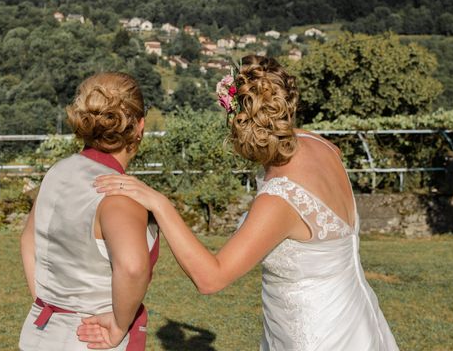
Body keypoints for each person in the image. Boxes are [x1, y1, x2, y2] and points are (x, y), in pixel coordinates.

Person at [80, 56, 399, 350]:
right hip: (354, 315)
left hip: (314, 333)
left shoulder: (280, 199)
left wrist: (160, 204)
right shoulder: (322, 146)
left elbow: (210, 278)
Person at [19, 72, 159, 351]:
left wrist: (49, 301)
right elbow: (132, 268)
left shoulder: (57, 172)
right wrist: (120, 324)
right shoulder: (119, 193)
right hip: (94, 339)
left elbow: (28, 241)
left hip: (39, 333)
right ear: (140, 126)